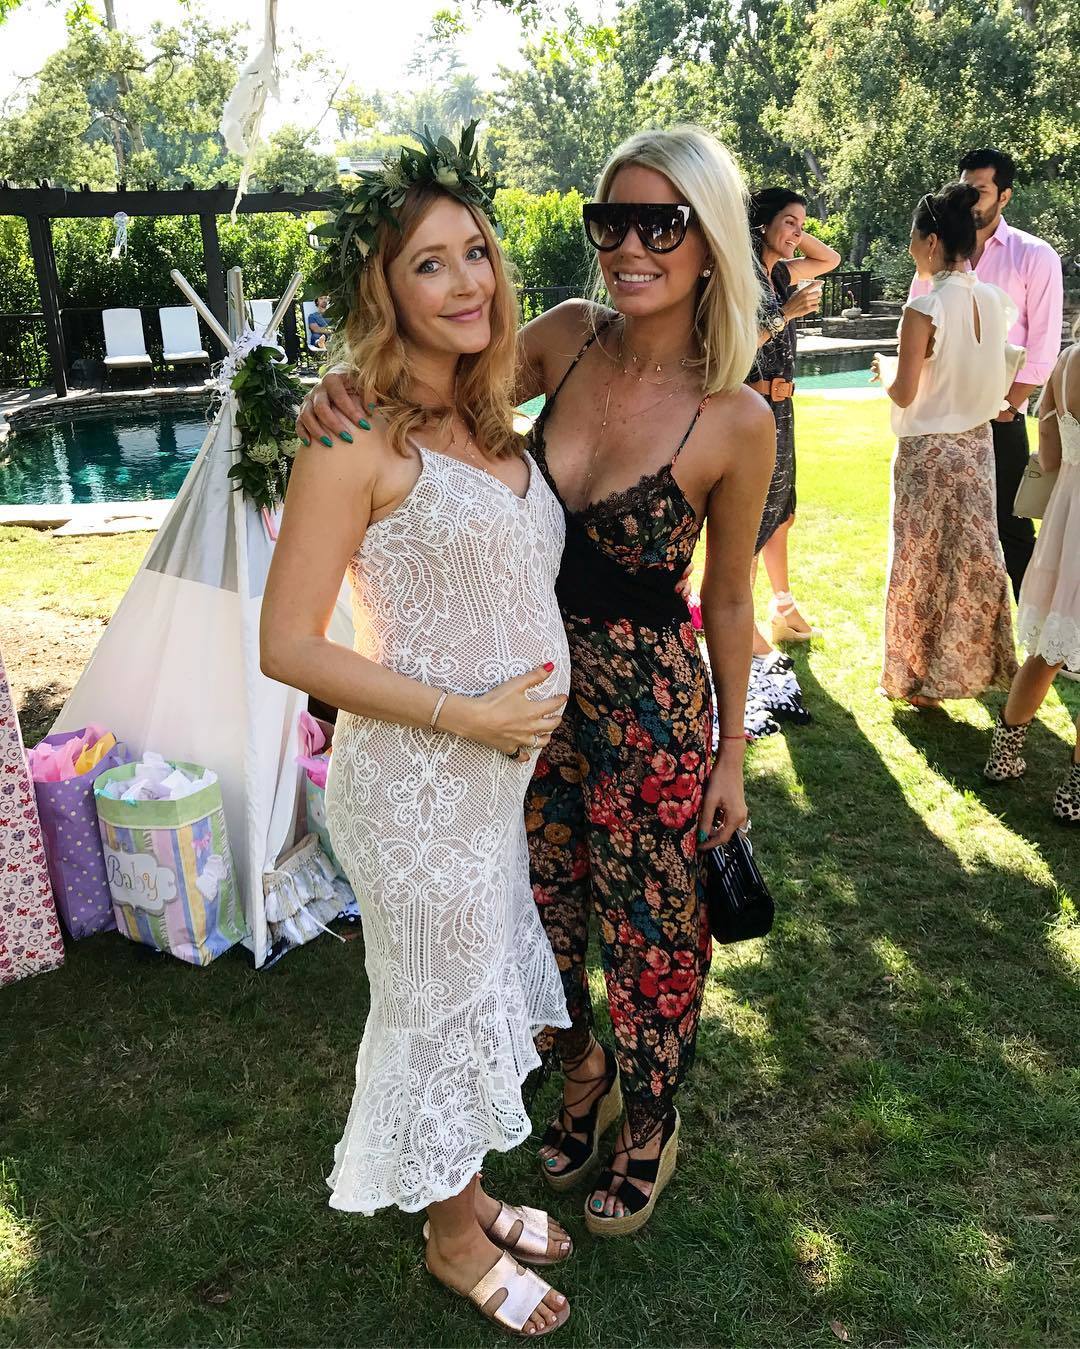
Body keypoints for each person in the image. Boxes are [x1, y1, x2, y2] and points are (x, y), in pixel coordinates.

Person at [297, 124, 775, 1237]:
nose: (630, 247)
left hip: (651, 710)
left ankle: (649, 1119)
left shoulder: (737, 416)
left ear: (709, 240)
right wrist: (340, 388)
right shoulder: (563, 340)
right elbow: (430, 401)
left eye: (661, 223)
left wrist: (732, 751)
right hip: (517, 706)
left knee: (653, 928)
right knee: (540, 912)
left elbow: (730, 600)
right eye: (611, 222)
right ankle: (579, 1069)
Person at [263, 133, 577, 1339]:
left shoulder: (496, 415)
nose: (465, 282)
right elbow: (288, 644)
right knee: (435, 1006)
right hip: (413, 783)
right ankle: (453, 1242)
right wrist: (469, 713)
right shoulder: (353, 436)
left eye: (476, 252)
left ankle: (471, 1192)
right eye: (428, 264)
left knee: (475, 984)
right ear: (383, 289)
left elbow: (620, 317)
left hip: (490, 787)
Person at [873, 182, 1018, 707]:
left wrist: (884, 368)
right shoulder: (994, 300)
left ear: (931, 242)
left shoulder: (925, 308)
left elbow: (904, 392)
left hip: (930, 452)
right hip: (977, 447)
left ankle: (918, 680)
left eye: (914, 237)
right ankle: (972, 670)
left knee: (921, 563)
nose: (911, 246)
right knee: (973, 559)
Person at [910, 148, 1064, 599]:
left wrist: (1007, 406)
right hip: (938, 420)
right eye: (965, 189)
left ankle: (1036, 627)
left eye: (979, 191)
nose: (970, 199)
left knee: (1011, 529)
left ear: (1005, 196)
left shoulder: (1034, 255)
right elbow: (919, 326)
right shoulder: (934, 252)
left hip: (998, 416)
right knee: (940, 530)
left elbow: (1043, 349)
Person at [984, 330, 1080, 823]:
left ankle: (1003, 756)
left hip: (1067, 518)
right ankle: (1075, 793)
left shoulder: (1067, 361)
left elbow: (1051, 457)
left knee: (1047, 647)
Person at [747, 187, 841, 645]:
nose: (798, 233)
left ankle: (781, 607)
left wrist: (792, 233)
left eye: (802, 225)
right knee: (750, 519)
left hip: (782, 409)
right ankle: (741, 619)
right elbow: (734, 347)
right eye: (789, 222)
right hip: (751, 410)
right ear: (760, 223)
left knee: (782, 512)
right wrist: (784, 314)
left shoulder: (780, 273)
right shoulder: (739, 277)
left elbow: (830, 259)